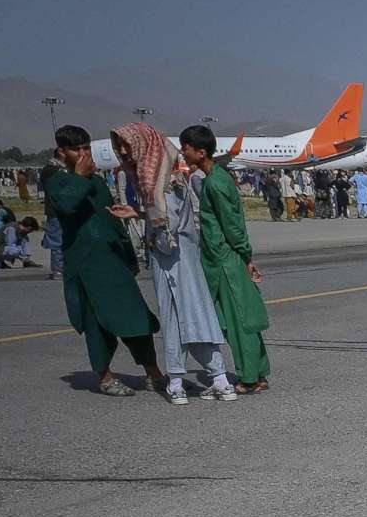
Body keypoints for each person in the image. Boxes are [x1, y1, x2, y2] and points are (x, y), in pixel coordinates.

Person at [115, 122, 232, 405]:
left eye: (127, 145)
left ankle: (182, 382)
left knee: (180, 318)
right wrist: (141, 214)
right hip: (178, 263)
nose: (122, 152)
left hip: (174, 262)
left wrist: (152, 238)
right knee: (192, 315)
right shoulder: (156, 181)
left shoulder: (165, 181)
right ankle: (216, 380)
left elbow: (169, 230)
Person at [43, 127, 163, 397]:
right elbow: (66, 206)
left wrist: (128, 255)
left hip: (112, 259)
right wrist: (79, 178)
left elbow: (111, 218)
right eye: (77, 150)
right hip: (85, 263)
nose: (84, 154)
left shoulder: (95, 181)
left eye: (86, 148)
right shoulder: (59, 181)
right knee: (96, 322)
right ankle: (105, 376)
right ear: (62, 152)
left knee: (135, 316)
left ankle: (153, 372)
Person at [181, 126, 271, 395]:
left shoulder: (215, 184)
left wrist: (244, 255)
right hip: (223, 257)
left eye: (186, 148)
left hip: (224, 260)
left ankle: (250, 378)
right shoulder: (215, 178)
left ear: (201, 152)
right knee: (243, 317)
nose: (183, 153)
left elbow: (232, 225)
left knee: (237, 321)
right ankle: (258, 372)